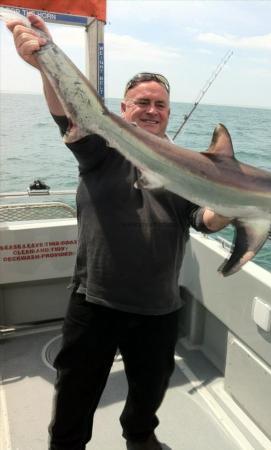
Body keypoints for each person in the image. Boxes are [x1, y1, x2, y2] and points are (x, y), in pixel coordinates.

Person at [7, 13, 230, 450]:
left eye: (159, 104)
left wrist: (229, 210)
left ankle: (140, 438)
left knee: (149, 393)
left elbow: (199, 219)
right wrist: (46, 63)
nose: (150, 110)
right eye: (141, 102)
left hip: (160, 305)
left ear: (169, 113)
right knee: (76, 394)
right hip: (96, 300)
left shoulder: (187, 166)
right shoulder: (100, 149)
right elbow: (66, 110)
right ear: (124, 108)